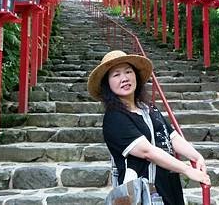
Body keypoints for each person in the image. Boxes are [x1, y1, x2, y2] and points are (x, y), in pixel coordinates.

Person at [87, 50, 210, 205]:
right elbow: (147, 152)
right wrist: (187, 170)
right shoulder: (115, 118)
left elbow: (171, 137)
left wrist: (196, 156)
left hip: (168, 185)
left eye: (128, 71)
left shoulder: (148, 108)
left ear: (136, 76)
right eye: (116, 75)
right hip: (141, 193)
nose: (124, 78)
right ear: (107, 84)